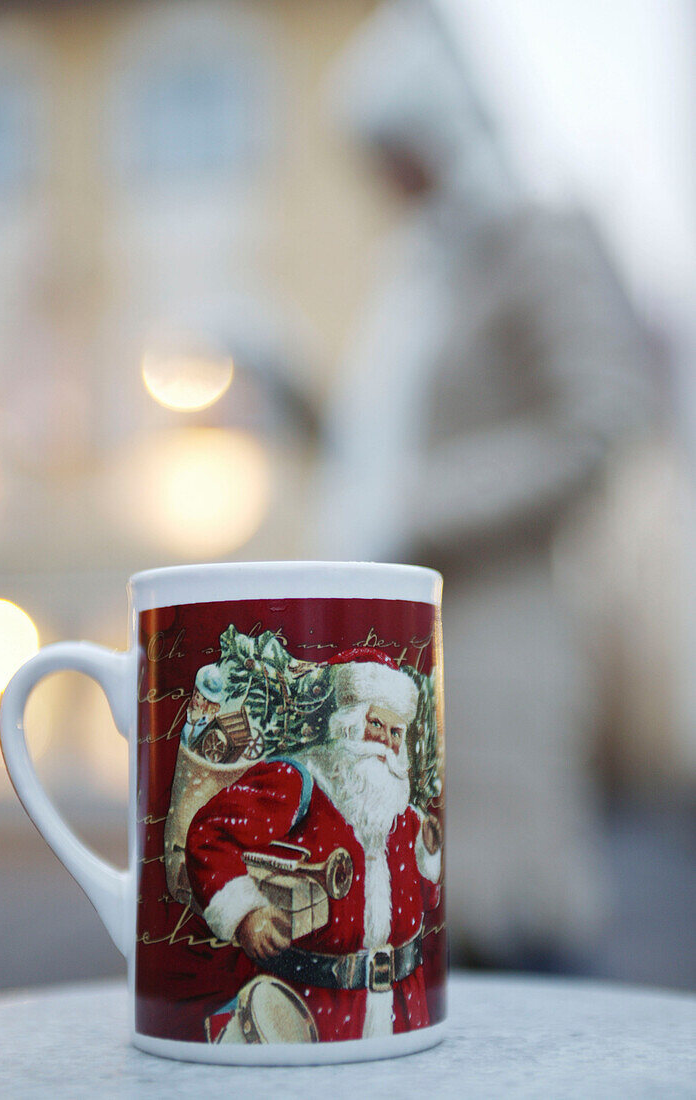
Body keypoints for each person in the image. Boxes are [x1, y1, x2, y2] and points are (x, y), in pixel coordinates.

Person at [316, 1, 654, 968]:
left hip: (498, 641)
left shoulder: (533, 240)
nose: (383, 183)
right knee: (411, 933)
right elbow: (377, 457)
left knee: (514, 933)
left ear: (433, 135)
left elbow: (602, 419)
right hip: (398, 645)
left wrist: (421, 504)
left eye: (393, 155)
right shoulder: (421, 273)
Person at [185, 647, 442, 1042]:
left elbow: (426, 903)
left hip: (404, 1014)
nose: (385, 744)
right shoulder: (297, 782)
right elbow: (209, 833)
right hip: (313, 1015)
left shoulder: (403, 818)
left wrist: (429, 860)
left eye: (396, 733)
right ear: (349, 723)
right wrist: (246, 915)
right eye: (376, 725)